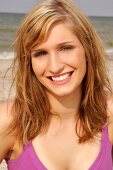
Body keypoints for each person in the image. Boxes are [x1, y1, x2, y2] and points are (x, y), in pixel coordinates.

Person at [0, 0, 113, 169]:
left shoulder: (109, 113)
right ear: (29, 62)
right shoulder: (10, 120)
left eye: (65, 48)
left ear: (87, 50)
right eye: (40, 53)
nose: (55, 66)